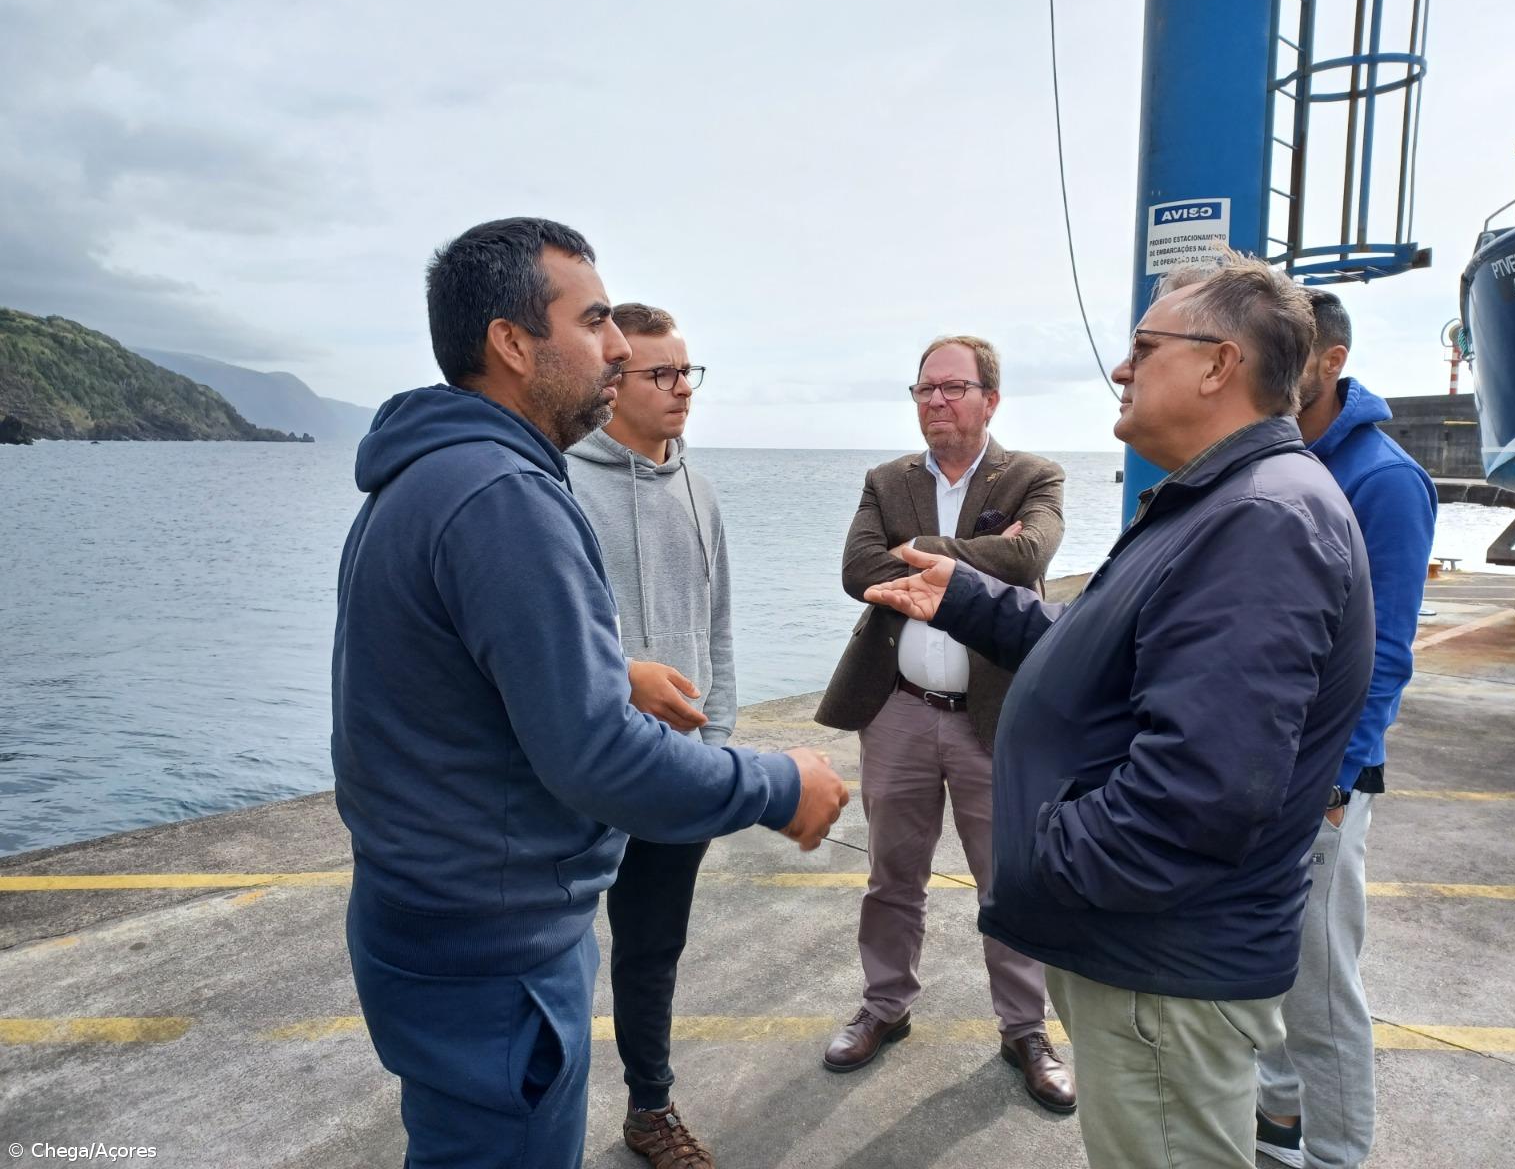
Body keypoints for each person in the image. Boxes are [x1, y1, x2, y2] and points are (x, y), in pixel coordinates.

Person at [330, 218, 847, 1169]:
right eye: (596, 319)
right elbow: (596, 756)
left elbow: (461, 683)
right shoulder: (503, 497)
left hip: (428, 921)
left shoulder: (427, 476)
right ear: (514, 344)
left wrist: (610, 672)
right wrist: (780, 784)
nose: (617, 347)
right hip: (494, 952)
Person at [862, 253, 1376, 1168]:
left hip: (1160, 970)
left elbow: (1200, 792)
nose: (1122, 367)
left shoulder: (1261, 521)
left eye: (1145, 345)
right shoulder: (1224, 500)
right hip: (1150, 954)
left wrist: (1046, 854)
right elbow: (1116, 650)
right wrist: (975, 600)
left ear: (1220, 365)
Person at [813, 335, 1075, 1112]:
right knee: (893, 875)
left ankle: (1024, 1028)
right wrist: (968, 557)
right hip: (897, 710)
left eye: (952, 388)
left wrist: (921, 551)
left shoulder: (1035, 475)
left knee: (1010, 881)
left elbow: (1030, 557)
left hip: (994, 718)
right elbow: (859, 571)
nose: (935, 401)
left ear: (990, 398)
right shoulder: (885, 478)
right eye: (923, 389)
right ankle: (884, 1005)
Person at [1254, 289, 1438, 1169]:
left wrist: (1337, 782)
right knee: (1268, 970)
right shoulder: (1281, 457)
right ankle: (1279, 1126)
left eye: (1294, 351)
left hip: (1323, 780)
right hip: (1262, 769)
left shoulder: (1384, 479)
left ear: (1330, 361)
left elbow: (1386, 654)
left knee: (1321, 990)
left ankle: (1335, 1154)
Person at [566, 303, 731, 1168]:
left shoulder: (701, 491)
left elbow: (719, 629)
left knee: (652, 950)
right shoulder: (558, 483)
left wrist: (719, 749)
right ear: (614, 379)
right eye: (660, 375)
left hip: (678, 776)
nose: (680, 392)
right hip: (582, 771)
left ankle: (649, 1108)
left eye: (687, 373)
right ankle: (535, 1115)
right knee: (553, 951)